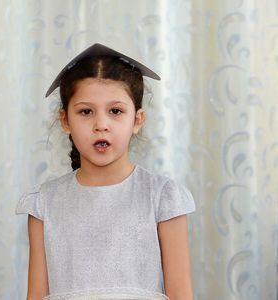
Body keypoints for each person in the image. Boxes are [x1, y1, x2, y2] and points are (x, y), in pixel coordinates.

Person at [15, 43, 196, 300]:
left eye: (115, 111)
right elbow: (36, 295)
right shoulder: (45, 203)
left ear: (138, 119)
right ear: (66, 120)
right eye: (86, 112)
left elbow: (181, 295)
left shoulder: (163, 197)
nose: (101, 125)